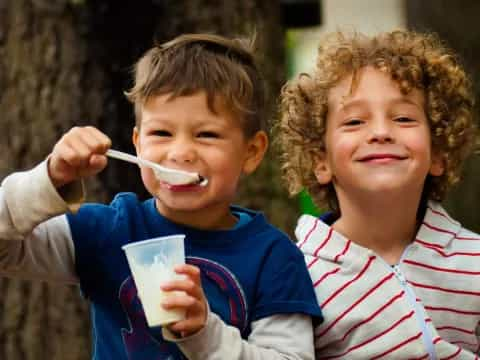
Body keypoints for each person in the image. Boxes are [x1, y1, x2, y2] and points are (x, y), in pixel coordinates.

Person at [0, 33, 322, 360]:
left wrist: (203, 334)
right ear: (138, 143)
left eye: (206, 134)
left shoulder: (274, 257)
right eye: (161, 133)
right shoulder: (108, 230)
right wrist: (50, 178)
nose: (179, 153)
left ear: (251, 152)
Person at [276, 29, 479, 359]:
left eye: (403, 118)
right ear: (321, 161)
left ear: (438, 153)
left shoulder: (474, 262)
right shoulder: (296, 275)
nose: (381, 132)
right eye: (355, 121)